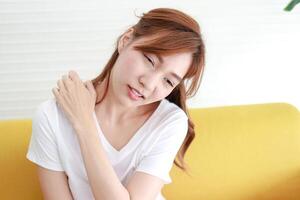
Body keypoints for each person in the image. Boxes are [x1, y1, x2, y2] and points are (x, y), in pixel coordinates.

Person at [26, 7, 205, 200]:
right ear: (126, 40)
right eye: (150, 60)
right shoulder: (51, 116)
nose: (149, 83)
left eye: (168, 81)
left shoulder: (170, 122)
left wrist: (84, 125)